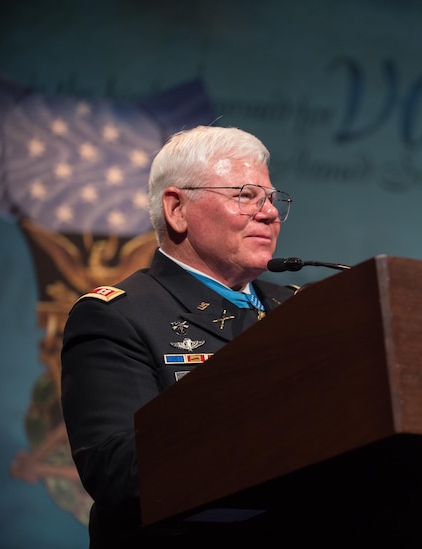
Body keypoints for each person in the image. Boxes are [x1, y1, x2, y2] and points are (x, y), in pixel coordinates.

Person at [60, 126, 297, 548]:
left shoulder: (307, 309)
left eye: (272, 199)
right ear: (177, 209)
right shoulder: (117, 316)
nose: (270, 213)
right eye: (246, 195)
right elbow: (119, 471)